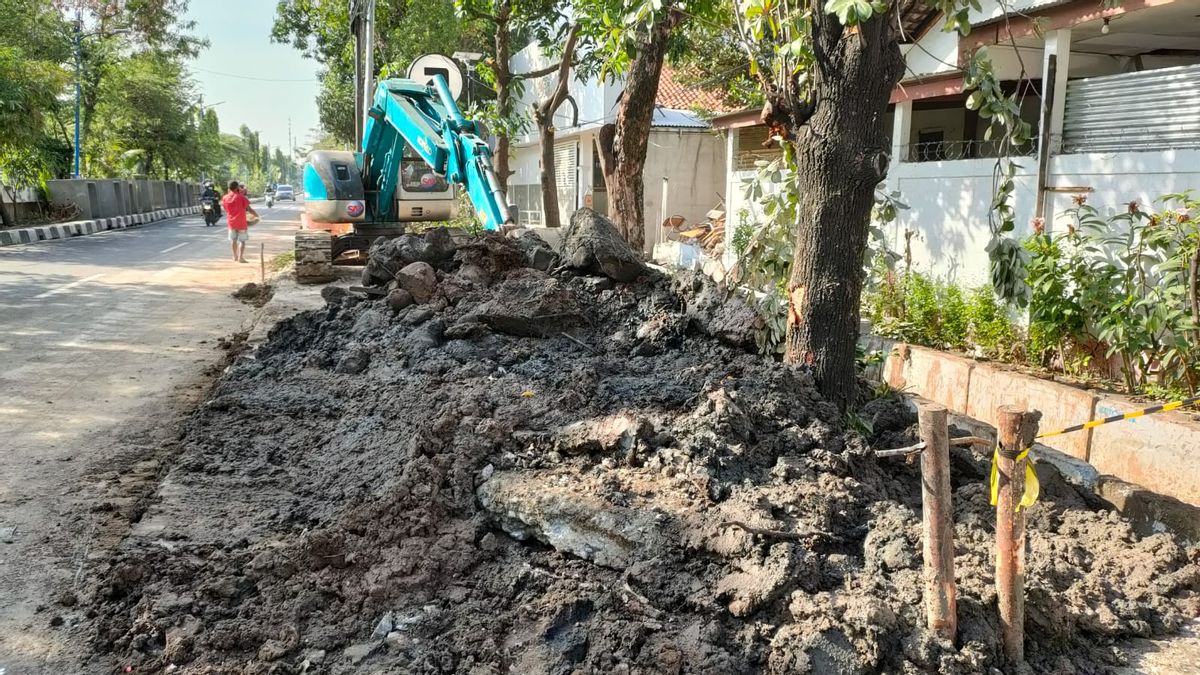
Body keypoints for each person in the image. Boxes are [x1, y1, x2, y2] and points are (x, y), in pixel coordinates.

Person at [221, 180, 258, 263]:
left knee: (233, 240)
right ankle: (241, 258)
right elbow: (249, 209)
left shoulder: (225, 198)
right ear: (237, 187)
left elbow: (225, 209)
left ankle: (234, 256)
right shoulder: (241, 197)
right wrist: (256, 216)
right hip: (241, 222)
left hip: (231, 223)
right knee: (242, 241)